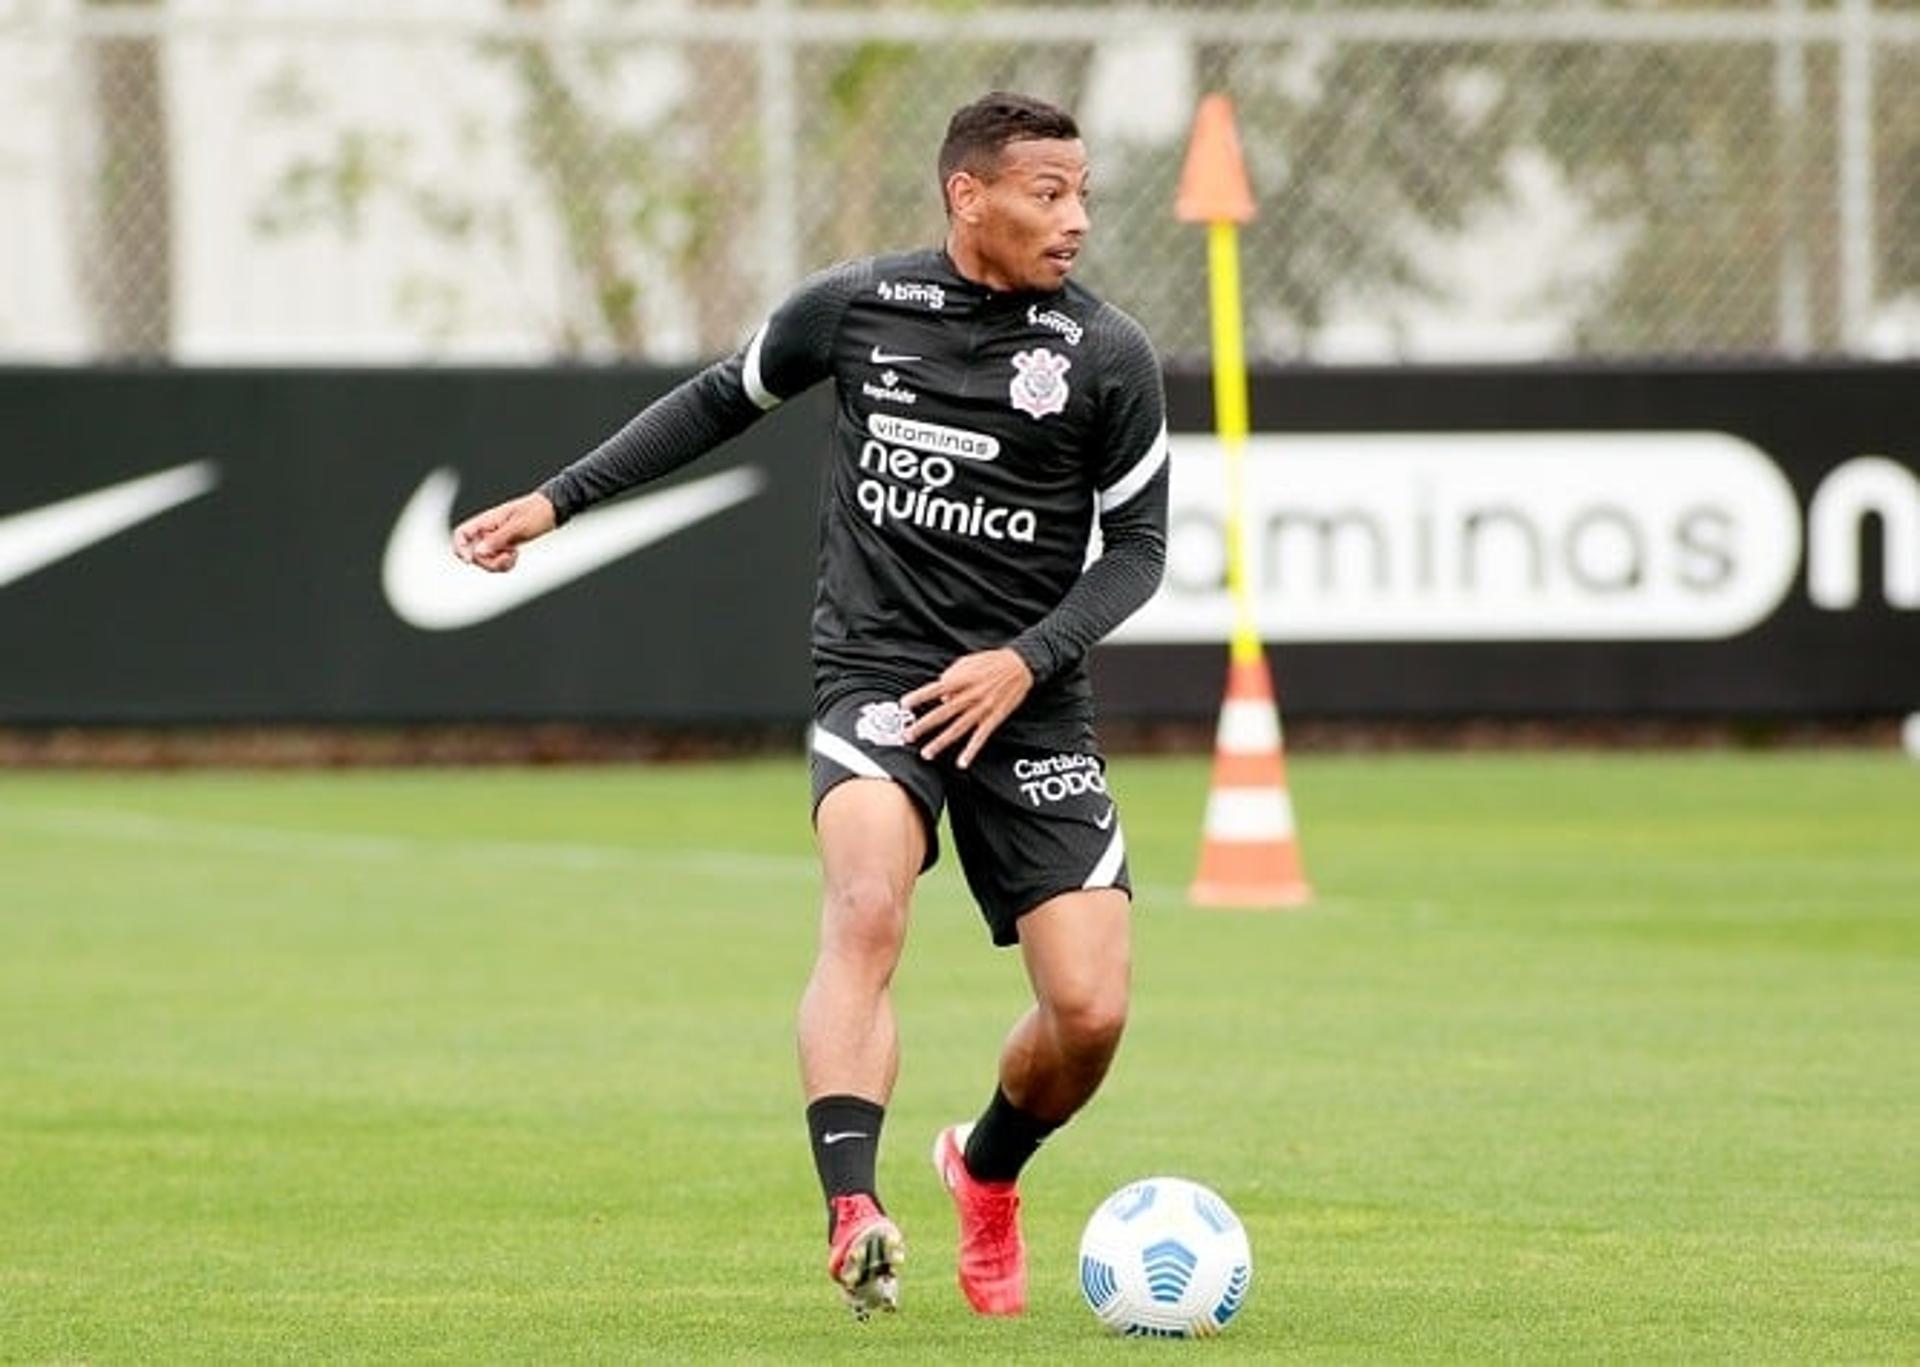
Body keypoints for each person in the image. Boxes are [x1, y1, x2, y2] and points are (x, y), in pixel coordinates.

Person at [451, 91, 1169, 1320]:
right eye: (1050, 194)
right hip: (879, 677)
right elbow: (712, 402)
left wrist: (1025, 657)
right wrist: (553, 502)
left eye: (1083, 194)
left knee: (1091, 1013)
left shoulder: (1108, 355)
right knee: (865, 902)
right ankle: (856, 1207)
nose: (1077, 220)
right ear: (968, 194)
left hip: (1028, 706)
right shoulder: (855, 307)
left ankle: (983, 1169)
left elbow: (1140, 552)